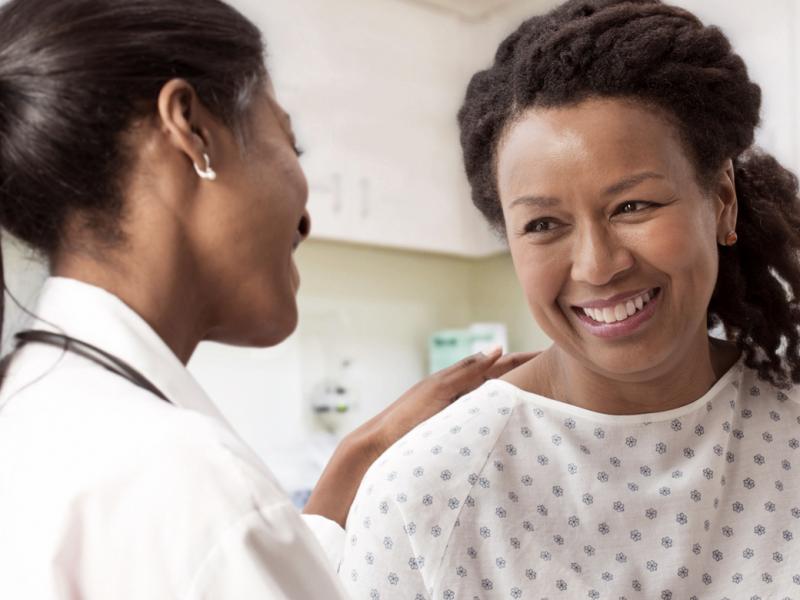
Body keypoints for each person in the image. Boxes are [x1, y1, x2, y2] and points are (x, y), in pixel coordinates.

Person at [0, 0, 536, 598]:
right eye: (289, 142)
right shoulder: (186, 483)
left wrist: (360, 457)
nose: (306, 218)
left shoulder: (40, 419)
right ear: (192, 130)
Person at [340, 0, 800, 597]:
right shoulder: (423, 491)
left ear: (721, 200)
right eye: (543, 225)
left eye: (633, 206)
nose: (598, 265)